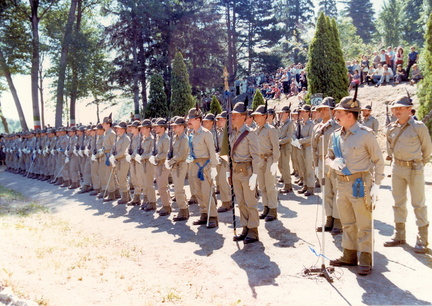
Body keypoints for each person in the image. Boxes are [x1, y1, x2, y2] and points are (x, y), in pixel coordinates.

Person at [327, 95, 385, 276]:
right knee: (347, 221)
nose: (336, 116)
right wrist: (331, 163)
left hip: (360, 184)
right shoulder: (335, 135)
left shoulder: (365, 135)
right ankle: (349, 255)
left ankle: (366, 257)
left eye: (340, 113)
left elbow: (378, 161)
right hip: (341, 185)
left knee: (364, 222)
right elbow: (327, 156)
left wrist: (377, 184)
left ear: (350, 115)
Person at [384, 96, 432, 253]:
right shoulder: (391, 128)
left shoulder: (419, 127)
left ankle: (422, 240)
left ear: (409, 110)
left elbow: (427, 150)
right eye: (395, 108)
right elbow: (389, 147)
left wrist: (419, 164)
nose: (397, 110)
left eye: (401, 108)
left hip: (414, 168)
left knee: (418, 204)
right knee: (398, 202)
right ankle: (399, 235)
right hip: (397, 168)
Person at [229, 102, 261, 243]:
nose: (233, 117)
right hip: (236, 171)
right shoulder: (233, 134)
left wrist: (255, 175)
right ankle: (245, 227)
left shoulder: (250, 133)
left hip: (247, 171)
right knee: (240, 202)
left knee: (250, 202)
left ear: (243, 117)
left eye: (236, 115)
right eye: (232, 115)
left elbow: (256, 156)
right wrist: (228, 172)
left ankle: (253, 230)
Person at [312, 97, 342, 235]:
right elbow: (314, 147)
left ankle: (338, 220)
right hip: (321, 162)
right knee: (326, 192)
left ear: (332, 111)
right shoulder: (317, 127)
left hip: (334, 162)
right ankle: (329, 219)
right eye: (321, 109)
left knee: (337, 192)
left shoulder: (338, 126)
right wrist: (315, 165)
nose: (322, 111)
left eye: (326, 109)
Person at [187, 107, 219, 228]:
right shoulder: (191, 134)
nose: (189, 121)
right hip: (195, 165)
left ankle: (213, 216)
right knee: (198, 192)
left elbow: (212, 151)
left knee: (207, 192)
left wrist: (214, 167)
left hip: (205, 166)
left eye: (192, 119)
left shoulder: (206, 133)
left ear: (198, 119)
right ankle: (204, 213)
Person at [252, 105, 280, 222]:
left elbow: (276, 148)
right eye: (255, 116)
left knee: (270, 186)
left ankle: (273, 209)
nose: (256, 118)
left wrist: (274, 163)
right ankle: (266, 207)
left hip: (269, 160)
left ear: (265, 116)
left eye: (258, 116)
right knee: (262, 186)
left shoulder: (271, 129)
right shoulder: (255, 130)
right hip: (260, 160)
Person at [166, 117, 190, 221]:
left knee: (178, 189)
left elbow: (181, 155)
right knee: (178, 188)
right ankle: (184, 210)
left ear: (182, 127)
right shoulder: (176, 137)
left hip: (180, 165)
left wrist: (170, 162)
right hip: (175, 165)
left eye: (176, 126)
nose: (174, 128)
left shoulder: (184, 139)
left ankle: (183, 211)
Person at [110, 121, 131, 204]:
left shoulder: (126, 139)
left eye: (118, 128)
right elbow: (114, 148)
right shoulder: (118, 138)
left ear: (123, 129)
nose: (116, 130)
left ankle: (125, 197)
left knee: (122, 178)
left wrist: (114, 157)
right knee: (119, 178)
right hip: (118, 161)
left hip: (123, 161)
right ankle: (126, 196)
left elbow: (123, 152)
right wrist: (112, 155)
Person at [278, 106, 294, 193]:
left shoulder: (290, 123)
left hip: (286, 147)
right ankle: (285, 180)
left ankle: (288, 185)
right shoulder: (282, 123)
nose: (281, 114)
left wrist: (278, 141)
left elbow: (289, 137)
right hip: (280, 147)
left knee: (285, 166)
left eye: (283, 113)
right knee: (280, 166)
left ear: (287, 114)